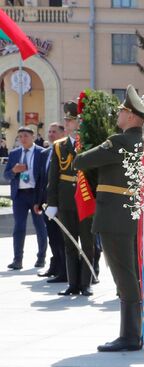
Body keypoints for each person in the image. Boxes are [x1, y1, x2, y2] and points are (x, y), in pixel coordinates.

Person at [73, 90, 144, 350]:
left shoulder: (119, 142)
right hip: (134, 218)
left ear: (130, 115)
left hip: (114, 219)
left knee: (123, 276)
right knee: (135, 275)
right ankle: (139, 332)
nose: (118, 114)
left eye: (121, 111)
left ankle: (129, 336)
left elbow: (81, 161)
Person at [47, 103, 93, 296]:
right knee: (70, 243)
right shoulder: (59, 146)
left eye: (71, 120)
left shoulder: (90, 142)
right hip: (66, 200)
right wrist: (52, 203)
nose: (67, 123)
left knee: (87, 242)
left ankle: (86, 284)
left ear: (79, 121)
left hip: (85, 197)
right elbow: (53, 176)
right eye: (66, 119)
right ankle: (73, 284)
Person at [5, 125, 49, 270]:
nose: (22, 139)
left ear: (33, 137)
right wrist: (14, 170)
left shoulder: (41, 152)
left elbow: (45, 175)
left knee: (40, 227)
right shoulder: (14, 153)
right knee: (19, 227)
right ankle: (17, 260)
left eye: (25, 136)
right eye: (20, 136)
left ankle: (41, 258)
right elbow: (6, 175)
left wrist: (43, 197)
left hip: (36, 195)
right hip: (20, 196)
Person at [39, 122, 67, 282]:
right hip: (46, 203)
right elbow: (41, 179)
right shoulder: (45, 153)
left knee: (62, 238)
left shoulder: (65, 152)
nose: (50, 134)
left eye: (54, 131)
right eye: (49, 131)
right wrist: (38, 201)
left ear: (62, 134)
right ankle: (55, 266)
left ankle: (64, 270)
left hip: (61, 203)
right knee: (53, 237)